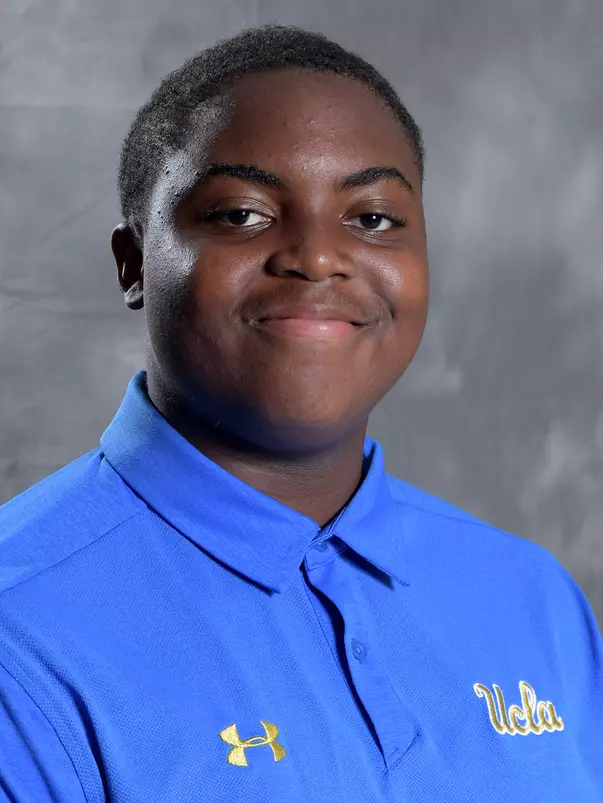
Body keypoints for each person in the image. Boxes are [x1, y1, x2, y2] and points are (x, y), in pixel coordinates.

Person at [0, 23, 601, 803]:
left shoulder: (533, 598)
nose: (317, 256)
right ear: (134, 261)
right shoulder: (22, 632)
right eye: (240, 214)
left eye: (372, 218)